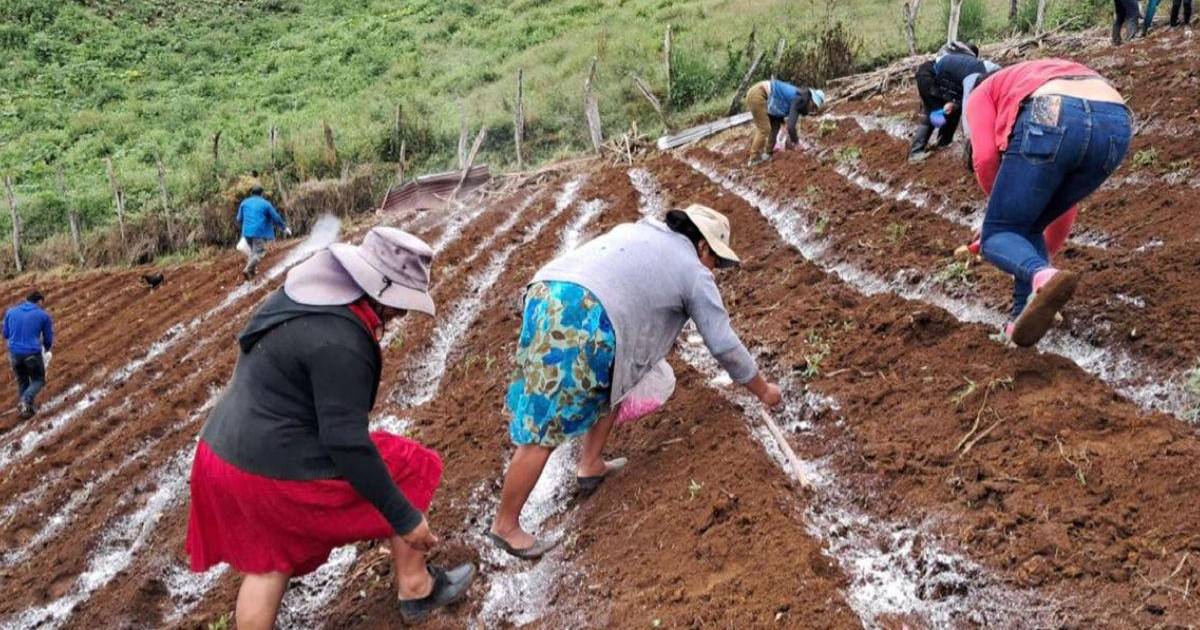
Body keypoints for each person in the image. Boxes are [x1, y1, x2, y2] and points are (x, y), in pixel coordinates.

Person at [186, 227, 476, 628]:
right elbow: (346, 443)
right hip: (268, 471)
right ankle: (416, 586)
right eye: (400, 303)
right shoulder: (342, 342)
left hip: (221, 453)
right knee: (406, 463)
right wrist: (405, 518)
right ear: (379, 289)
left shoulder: (308, 294)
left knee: (270, 561)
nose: (402, 314)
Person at [487, 204, 783, 558]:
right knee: (545, 423)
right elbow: (723, 343)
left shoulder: (643, 230)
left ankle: (590, 464)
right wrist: (763, 390)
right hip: (578, 310)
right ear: (703, 246)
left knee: (616, 375)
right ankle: (506, 526)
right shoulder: (693, 270)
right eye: (715, 261)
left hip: (547, 290)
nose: (713, 270)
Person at [962, 59, 1131, 347]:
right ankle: (1019, 320)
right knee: (1024, 227)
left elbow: (985, 158)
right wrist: (1027, 253)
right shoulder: (1031, 76)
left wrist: (1000, 221)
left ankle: (1039, 275)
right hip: (1116, 119)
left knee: (997, 234)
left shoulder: (982, 92)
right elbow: (1058, 210)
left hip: (1051, 107)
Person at [909, 45, 999, 163]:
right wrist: (969, 136)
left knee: (953, 111)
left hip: (943, 81)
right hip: (929, 77)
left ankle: (943, 143)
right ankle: (915, 153)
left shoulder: (977, 68)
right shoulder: (974, 73)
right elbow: (967, 104)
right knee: (934, 113)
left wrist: (954, 104)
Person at [743, 79, 825, 165]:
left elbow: (781, 109)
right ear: (810, 99)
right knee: (764, 129)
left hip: (765, 97)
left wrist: (784, 124)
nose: (812, 109)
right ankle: (754, 158)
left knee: (775, 126)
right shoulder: (798, 99)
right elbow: (791, 127)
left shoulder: (799, 98)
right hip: (758, 94)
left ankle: (768, 153)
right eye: (813, 106)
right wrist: (796, 143)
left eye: (815, 108)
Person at [3, 291, 53, 419]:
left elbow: (5, 334)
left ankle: (26, 410)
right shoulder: (43, 315)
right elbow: (48, 339)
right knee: (38, 380)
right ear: (39, 302)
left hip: (14, 354)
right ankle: (26, 400)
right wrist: (46, 349)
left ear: (26, 299)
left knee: (22, 380)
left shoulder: (10, 312)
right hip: (32, 353)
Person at [236, 185, 290, 281]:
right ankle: (248, 269)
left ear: (251, 193)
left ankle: (251, 273)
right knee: (260, 252)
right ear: (262, 194)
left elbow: (239, 218)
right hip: (258, 232)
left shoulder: (244, 203)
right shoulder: (265, 204)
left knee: (253, 252)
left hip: (246, 233)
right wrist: (284, 227)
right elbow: (275, 217)